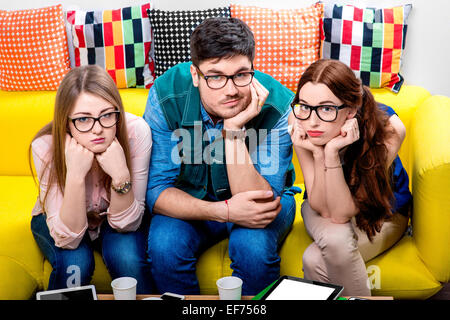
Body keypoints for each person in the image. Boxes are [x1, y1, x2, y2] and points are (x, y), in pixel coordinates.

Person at [143, 17, 298, 295]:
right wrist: (222, 211)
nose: (231, 90)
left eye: (241, 74)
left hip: (264, 199)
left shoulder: (277, 104)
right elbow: (156, 190)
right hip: (191, 199)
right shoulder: (166, 95)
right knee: (165, 246)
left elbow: (260, 203)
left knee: (253, 248)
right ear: (195, 74)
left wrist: (234, 129)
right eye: (215, 76)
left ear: (252, 67)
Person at [289, 59, 412, 296]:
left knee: (315, 259)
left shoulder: (389, 129)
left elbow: (343, 212)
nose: (312, 121)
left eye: (326, 108)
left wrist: (332, 154)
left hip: (380, 213)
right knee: (334, 240)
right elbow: (324, 209)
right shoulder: (300, 120)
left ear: (351, 110)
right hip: (320, 204)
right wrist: (318, 153)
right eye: (304, 105)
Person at [29, 65, 154, 293]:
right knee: (75, 264)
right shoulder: (44, 147)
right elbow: (68, 239)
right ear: (66, 122)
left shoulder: (137, 132)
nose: (97, 130)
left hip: (112, 217)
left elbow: (127, 224)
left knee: (127, 260)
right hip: (63, 220)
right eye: (83, 119)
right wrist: (76, 176)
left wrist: (120, 175)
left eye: (107, 115)